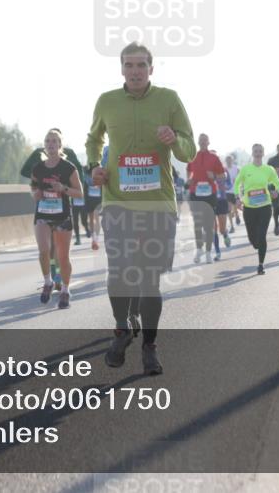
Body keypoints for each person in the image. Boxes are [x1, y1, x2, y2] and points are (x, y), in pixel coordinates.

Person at [87, 42, 195, 375]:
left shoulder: (169, 99)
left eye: (141, 65)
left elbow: (189, 151)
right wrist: (94, 166)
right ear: (121, 69)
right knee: (119, 272)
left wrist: (173, 140)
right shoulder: (107, 101)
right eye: (129, 65)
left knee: (149, 279)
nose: (135, 71)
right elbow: (94, 139)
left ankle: (149, 346)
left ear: (151, 68)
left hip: (158, 204)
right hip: (117, 201)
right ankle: (121, 328)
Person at [20, 132, 84, 288]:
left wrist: (63, 188)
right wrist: (36, 194)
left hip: (62, 216)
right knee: (44, 250)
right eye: (47, 141)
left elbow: (79, 193)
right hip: (43, 214)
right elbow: (33, 190)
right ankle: (48, 281)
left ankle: (65, 289)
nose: (50, 144)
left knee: (62, 256)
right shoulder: (38, 168)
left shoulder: (68, 167)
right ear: (44, 146)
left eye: (54, 141)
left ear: (60, 145)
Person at [233, 144, 279, 274]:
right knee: (253, 239)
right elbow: (237, 184)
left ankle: (261, 265)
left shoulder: (268, 169)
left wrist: (276, 191)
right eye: (256, 151)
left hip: (265, 206)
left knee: (262, 235)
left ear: (263, 153)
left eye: (260, 151)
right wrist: (237, 198)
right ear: (252, 153)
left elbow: (278, 183)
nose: (258, 153)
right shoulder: (245, 169)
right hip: (249, 208)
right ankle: (257, 244)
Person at [186, 134, 224, 264]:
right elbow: (189, 172)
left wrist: (213, 175)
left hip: (210, 195)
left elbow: (222, 176)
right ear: (198, 142)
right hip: (195, 194)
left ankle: (208, 253)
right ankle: (199, 249)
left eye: (204, 140)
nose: (202, 142)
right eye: (200, 140)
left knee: (208, 226)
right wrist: (190, 179)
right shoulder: (192, 157)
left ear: (208, 142)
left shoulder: (214, 158)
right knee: (197, 224)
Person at [224, 154, 241, 232]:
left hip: (235, 191)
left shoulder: (236, 168)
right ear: (226, 161)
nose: (229, 162)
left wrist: (237, 179)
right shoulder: (224, 169)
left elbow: (241, 177)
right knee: (228, 209)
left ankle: (237, 215)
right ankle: (232, 226)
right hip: (227, 191)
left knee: (235, 207)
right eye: (227, 160)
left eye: (230, 160)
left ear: (232, 160)